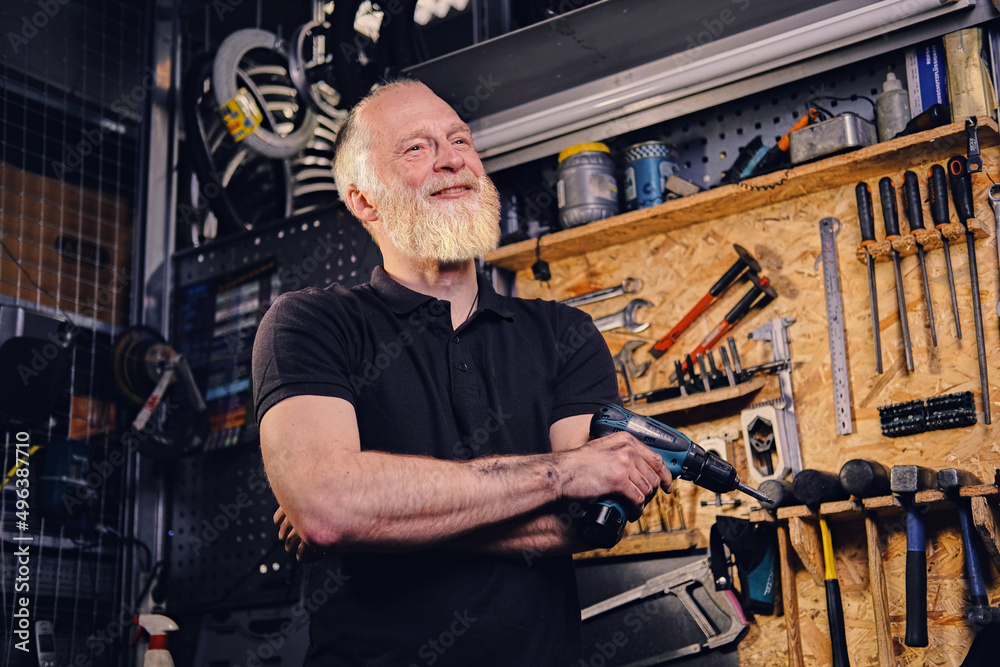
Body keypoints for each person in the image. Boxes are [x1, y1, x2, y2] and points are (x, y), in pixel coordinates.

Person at [251, 79, 673, 666]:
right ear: (364, 200)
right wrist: (565, 471)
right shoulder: (309, 324)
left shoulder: (565, 334)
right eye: (416, 148)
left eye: (460, 140)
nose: (452, 160)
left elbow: (587, 522)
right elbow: (328, 508)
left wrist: (374, 522)